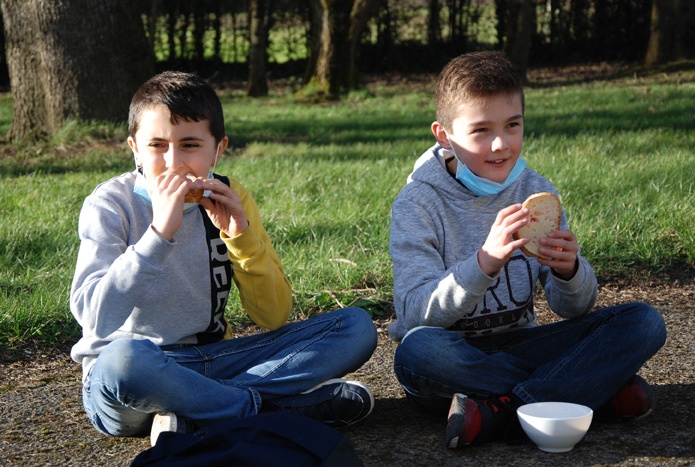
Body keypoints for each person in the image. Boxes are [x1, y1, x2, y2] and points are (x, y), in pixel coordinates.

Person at [69, 71, 378, 446]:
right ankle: (273, 411)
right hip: (132, 377)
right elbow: (92, 318)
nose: (172, 162)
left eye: (189, 145)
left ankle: (198, 414)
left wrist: (241, 238)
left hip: (215, 360)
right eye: (156, 145)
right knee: (125, 361)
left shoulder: (231, 197)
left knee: (355, 327)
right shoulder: (109, 205)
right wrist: (158, 235)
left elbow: (273, 315)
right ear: (134, 148)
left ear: (218, 149)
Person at [388, 51, 667, 449]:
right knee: (417, 351)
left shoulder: (537, 191)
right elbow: (415, 312)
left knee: (644, 322)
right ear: (444, 135)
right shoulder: (418, 203)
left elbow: (573, 308)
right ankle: (579, 395)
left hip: (522, 344)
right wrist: (483, 264)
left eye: (512, 125)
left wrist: (568, 271)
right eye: (480, 130)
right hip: (453, 358)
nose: (501, 144)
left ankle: (500, 412)